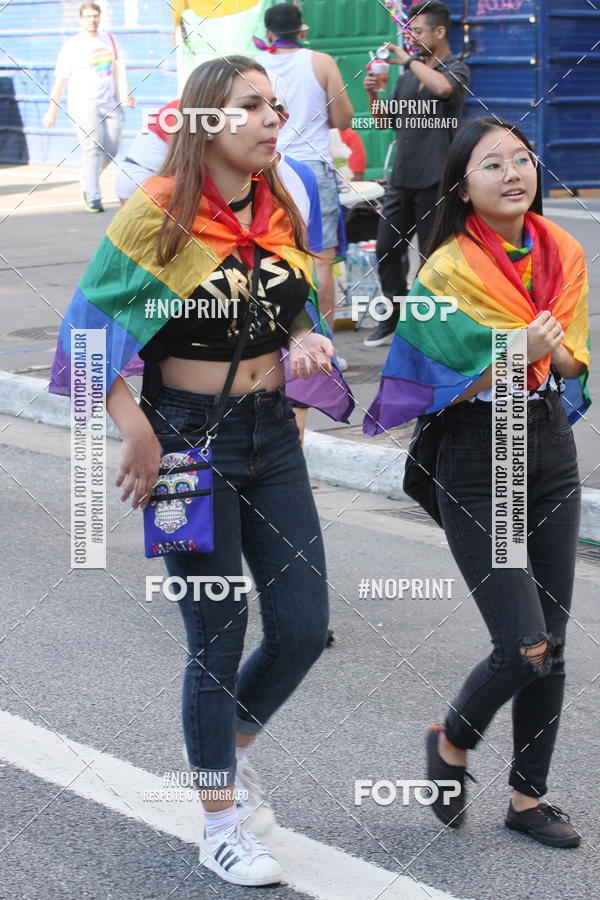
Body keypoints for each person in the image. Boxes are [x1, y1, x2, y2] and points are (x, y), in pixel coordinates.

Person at [49, 56, 353, 886]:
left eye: (273, 107)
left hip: (272, 437)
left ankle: (225, 749)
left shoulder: (278, 199)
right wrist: (137, 430)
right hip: (187, 439)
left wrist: (303, 341)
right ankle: (219, 817)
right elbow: (84, 342)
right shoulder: (161, 216)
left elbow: (293, 305)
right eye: (250, 107)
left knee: (300, 626)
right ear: (203, 122)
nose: (270, 120)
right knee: (216, 641)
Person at [364, 116, 590, 848]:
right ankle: (452, 742)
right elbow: (431, 386)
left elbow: (573, 360)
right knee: (522, 642)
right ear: (462, 186)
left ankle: (527, 800)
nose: (513, 173)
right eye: (492, 165)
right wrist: (510, 345)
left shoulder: (562, 252)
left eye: (522, 159)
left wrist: (554, 358)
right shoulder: (444, 271)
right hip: (476, 449)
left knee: (552, 639)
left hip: (546, 441)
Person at [362, 0, 470, 346]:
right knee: (386, 248)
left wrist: (407, 59)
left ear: (440, 32)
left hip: (437, 178)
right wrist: (373, 94)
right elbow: (383, 121)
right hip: (402, 177)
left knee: (433, 256)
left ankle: (433, 326)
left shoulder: (456, 68)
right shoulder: (409, 77)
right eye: (410, 32)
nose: (412, 38)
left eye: (418, 32)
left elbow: (444, 90)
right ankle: (394, 316)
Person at [255, 2, 354, 340]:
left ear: (268, 34)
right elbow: (343, 119)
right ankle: (322, 343)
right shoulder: (321, 62)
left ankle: (270, 340)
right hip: (312, 168)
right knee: (320, 260)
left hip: (266, 165)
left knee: (266, 254)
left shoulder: (253, 65)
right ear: (303, 31)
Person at [43, 2, 136, 212]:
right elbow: (60, 81)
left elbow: (117, 70)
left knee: (111, 149)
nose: (92, 19)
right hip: (84, 104)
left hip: (109, 102)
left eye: (95, 16)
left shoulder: (109, 39)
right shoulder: (72, 46)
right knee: (92, 147)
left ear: (99, 17)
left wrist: (127, 93)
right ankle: (92, 195)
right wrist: (52, 111)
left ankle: (87, 178)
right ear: (81, 19)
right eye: (87, 16)